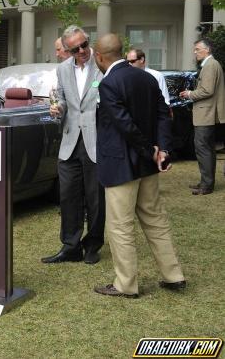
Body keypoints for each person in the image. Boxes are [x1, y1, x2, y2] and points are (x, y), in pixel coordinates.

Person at [92, 33, 185, 298]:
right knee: (155, 219)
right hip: (146, 165)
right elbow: (163, 116)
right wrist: (162, 150)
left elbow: (124, 124)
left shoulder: (108, 83)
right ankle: (173, 275)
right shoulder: (147, 77)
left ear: (99, 56)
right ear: (121, 52)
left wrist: (150, 150)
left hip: (122, 165)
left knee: (120, 225)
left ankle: (125, 285)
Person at [42, 25, 105, 265]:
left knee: (95, 197)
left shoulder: (101, 65)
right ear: (67, 50)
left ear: (88, 42)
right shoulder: (62, 69)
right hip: (69, 140)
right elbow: (63, 100)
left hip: (95, 141)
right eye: (75, 48)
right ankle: (70, 245)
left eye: (84, 45)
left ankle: (93, 244)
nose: (82, 51)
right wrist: (57, 109)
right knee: (68, 195)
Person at [179, 38, 225, 195]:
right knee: (207, 149)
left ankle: (206, 185)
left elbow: (207, 90)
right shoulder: (211, 65)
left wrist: (189, 94)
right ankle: (206, 182)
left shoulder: (210, 65)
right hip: (207, 113)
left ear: (207, 50)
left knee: (203, 149)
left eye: (197, 49)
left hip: (206, 113)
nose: (195, 52)